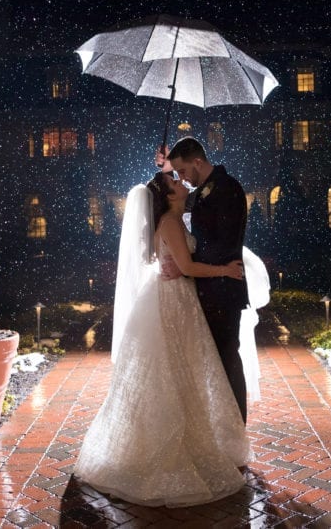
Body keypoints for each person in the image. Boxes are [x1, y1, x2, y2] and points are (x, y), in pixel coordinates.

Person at [73, 172, 251, 507]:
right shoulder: (170, 222)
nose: (183, 182)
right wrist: (225, 270)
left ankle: (181, 439)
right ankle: (169, 449)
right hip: (173, 302)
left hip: (175, 299)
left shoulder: (173, 217)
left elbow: (180, 262)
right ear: (169, 196)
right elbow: (186, 266)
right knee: (174, 374)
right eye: (176, 181)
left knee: (177, 375)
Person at [165, 137, 250, 422]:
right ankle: (222, 426)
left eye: (183, 171)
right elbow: (173, 200)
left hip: (224, 288)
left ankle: (237, 426)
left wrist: (185, 265)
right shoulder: (204, 190)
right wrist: (165, 167)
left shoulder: (227, 189)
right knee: (216, 362)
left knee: (228, 359)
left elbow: (220, 245)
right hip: (210, 288)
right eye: (177, 175)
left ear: (198, 162)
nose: (182, 178)